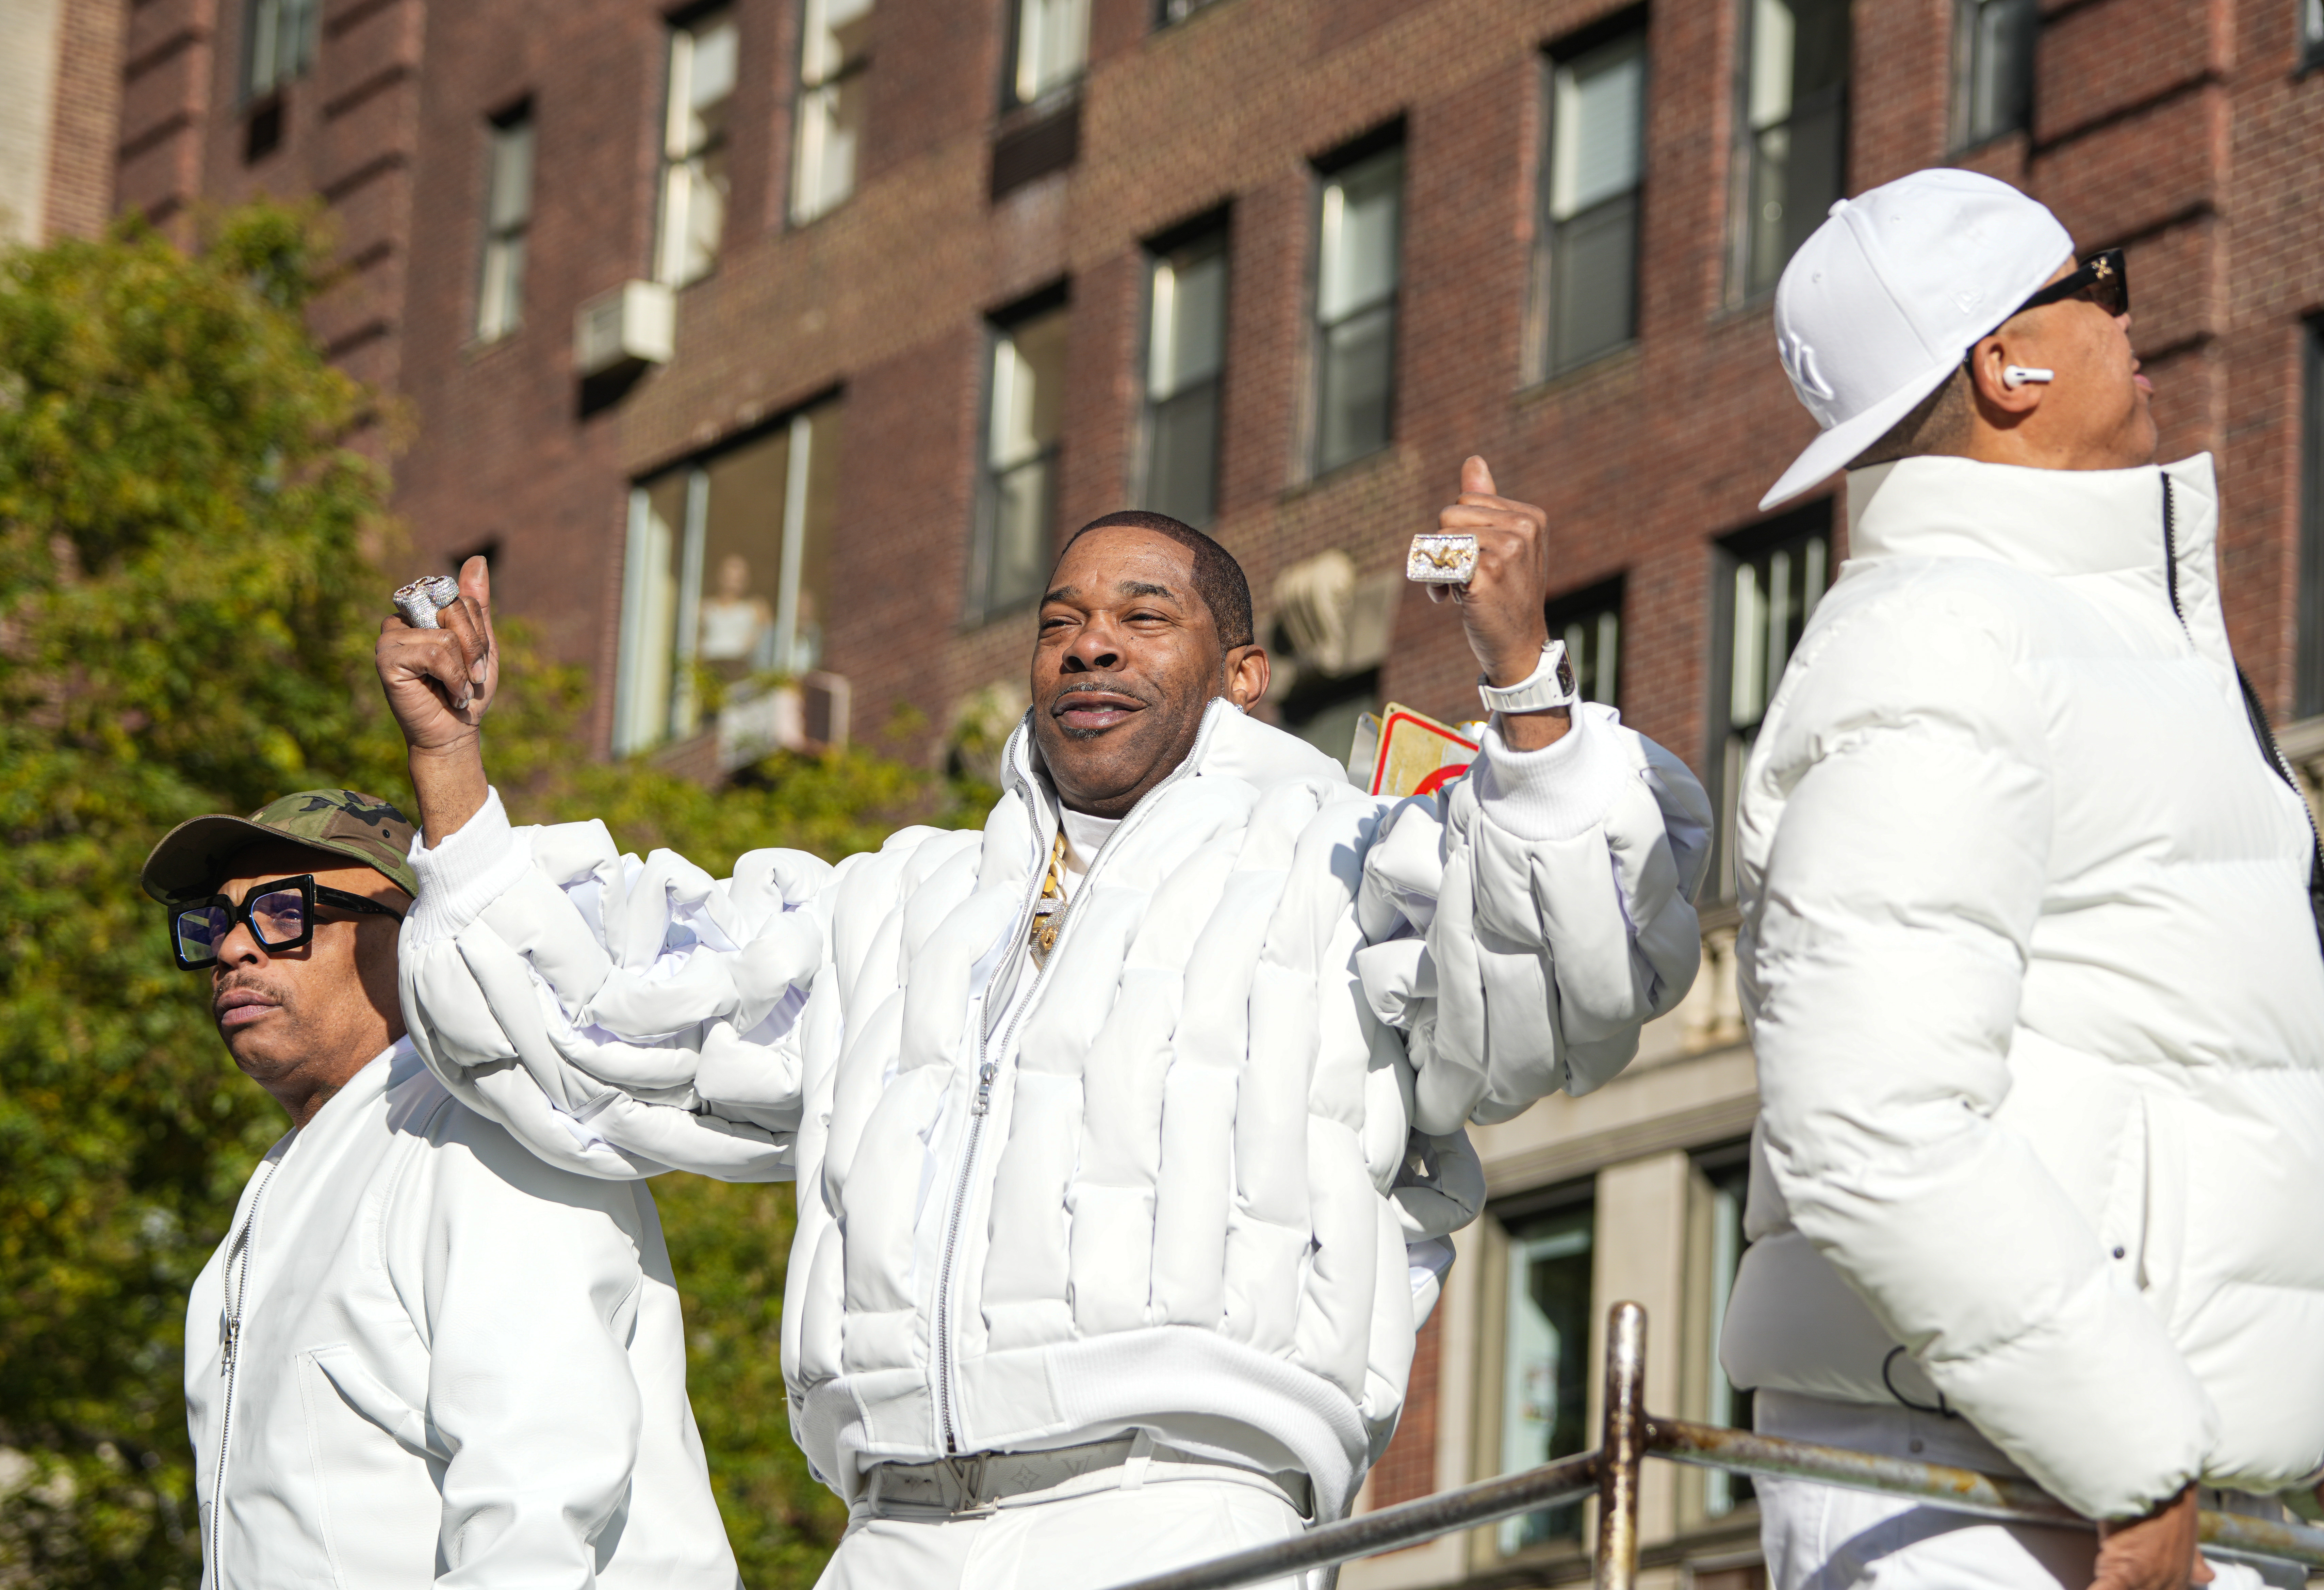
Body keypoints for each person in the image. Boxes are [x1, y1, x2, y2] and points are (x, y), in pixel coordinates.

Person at [374, 464, 1712, 1589]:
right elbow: (611, 1015)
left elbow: (1577, 972)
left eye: (1146, 615)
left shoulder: (1346, 866)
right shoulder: (902, 902)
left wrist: (1519, 671)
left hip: (1178, 1516)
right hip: (890, 1532)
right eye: (1061, 619)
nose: (1090, 642)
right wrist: (450, 760)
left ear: (1243, 675)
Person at [1718, 167, 2324, 1590]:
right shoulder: (1941, 636)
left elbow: (2198, 1064)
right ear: (2005, 364)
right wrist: (2128, 1449)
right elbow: (1873, 1118)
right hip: (1980, 1488)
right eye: (2098, 285)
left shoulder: (2097, 641)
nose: (2126, 313)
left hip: (2131, 1471)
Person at [143, 789, 738, 1590]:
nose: (231, 951)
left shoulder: (480, 1134)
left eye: (285, 912)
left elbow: (538, 1510)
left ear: (411, 932)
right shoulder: (282, 1195)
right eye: (215, 924)